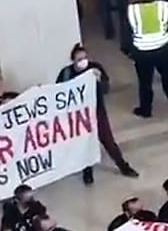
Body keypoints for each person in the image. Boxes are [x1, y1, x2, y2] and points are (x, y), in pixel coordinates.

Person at [55, 43, 138, 184]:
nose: (83, 61)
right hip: (78, 116)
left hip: (97, 111)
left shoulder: (95, 69)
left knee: (108, 140)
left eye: (84, 57)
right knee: (84, 143)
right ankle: (87, 172)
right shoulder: (66, 73)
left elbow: (106, 89)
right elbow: (58, 92)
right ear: (73, 61)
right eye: (79, 59)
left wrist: (100, 80)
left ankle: (123, 166)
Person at [121, 0, 168, 118]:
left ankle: (146, 110)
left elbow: (125, 33)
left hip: (142, 52)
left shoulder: (132, 11)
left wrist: (129, 52)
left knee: (145, 82)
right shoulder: (163, 7)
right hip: (163, 50)